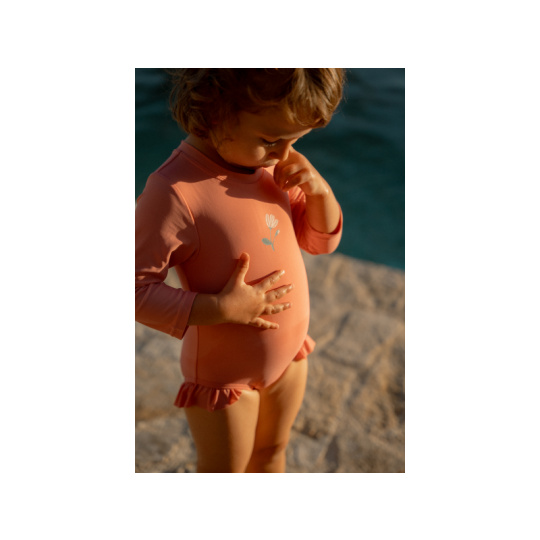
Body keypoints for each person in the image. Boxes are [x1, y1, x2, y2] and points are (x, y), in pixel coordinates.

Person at [135, 68, 344, 473]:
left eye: (296, 140)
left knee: (272, 453)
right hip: (224, 381)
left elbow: (320, 241)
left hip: (290, 356)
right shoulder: (175, 191)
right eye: (271, 140)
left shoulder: (271, 165)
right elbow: (135, 288)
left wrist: (320, 192)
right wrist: (221, 309)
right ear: (215, 112)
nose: (285, 154)